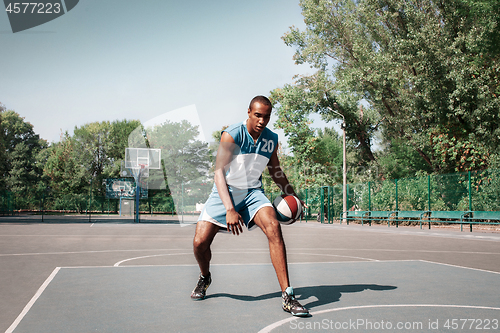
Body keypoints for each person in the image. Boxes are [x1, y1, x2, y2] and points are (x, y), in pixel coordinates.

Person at [191, 95, 309, 317]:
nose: (262, 121)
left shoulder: (271, 138)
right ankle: (205, 276)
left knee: (274, 227)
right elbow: (218, 172)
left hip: (253, 193)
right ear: (248, 112)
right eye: (258, 115)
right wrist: (229, 208)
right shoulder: (232, 134)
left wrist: (292, 195)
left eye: (266, 116)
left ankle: (288, 295)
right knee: (199, 243)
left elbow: (275, 170)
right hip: (224, 192)